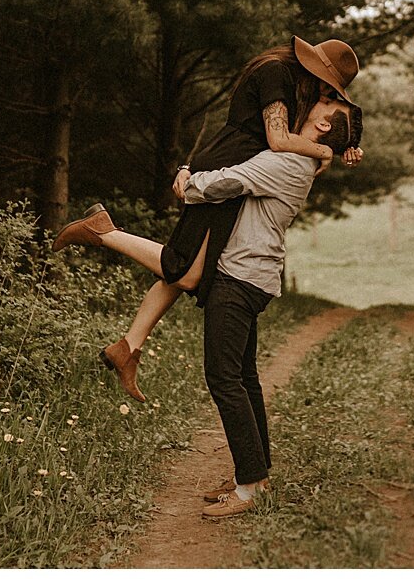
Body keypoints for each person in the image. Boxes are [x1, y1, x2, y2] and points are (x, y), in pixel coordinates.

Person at [58, 96, 362, 519]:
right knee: (244, 376)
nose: (314, 100)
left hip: (239, 278)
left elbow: (223, 183)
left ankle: (250, 486)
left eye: (325, 103)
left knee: (223, 377)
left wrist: (188, 180)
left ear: (325, 127)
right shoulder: (300, 160)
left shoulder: (287, 164)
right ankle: (256, 473)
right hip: (252, 275)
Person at [53, 37, 363, 402]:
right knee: (182, 269)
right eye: (330, 88)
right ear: (316, 69)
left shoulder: (296, 87)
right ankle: (103, 231)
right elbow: (278, 140)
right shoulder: (276, 73)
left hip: (238, 172)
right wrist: (324, 149)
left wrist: (350, 143)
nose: (329, 95)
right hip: (226, 173)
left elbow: (339, 121)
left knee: (189, 273)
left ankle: (127, 348)